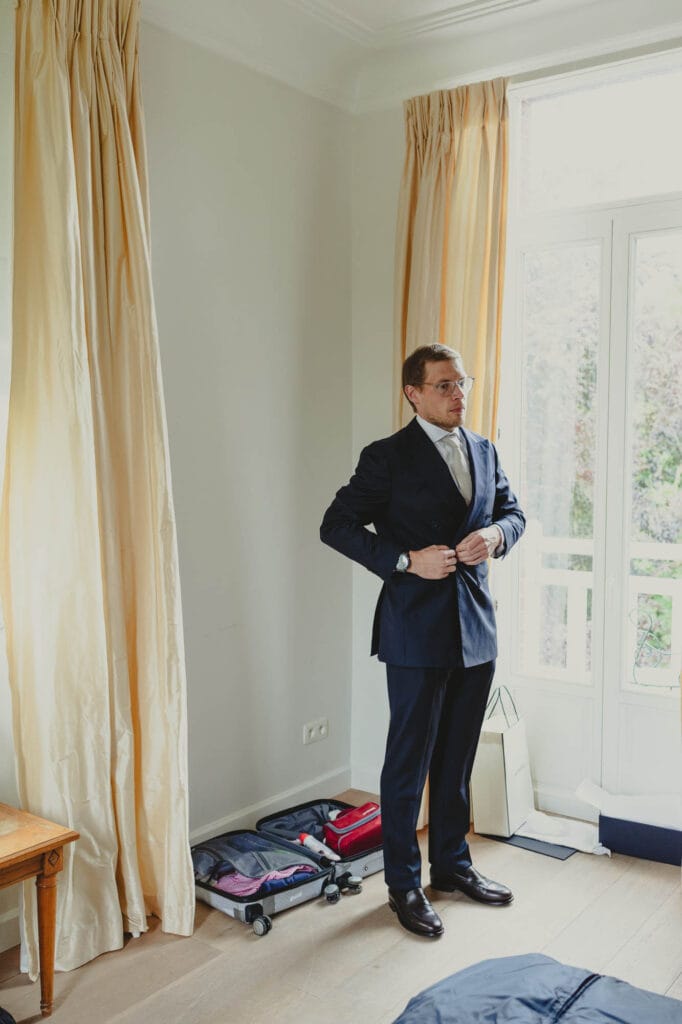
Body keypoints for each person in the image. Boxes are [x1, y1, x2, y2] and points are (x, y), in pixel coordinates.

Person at [320, 344, 525, 939]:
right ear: (413, 393)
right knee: (408, 763)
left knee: (457, 757)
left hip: (475, 626)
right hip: (415, 627)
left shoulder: (484, 448)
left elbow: (513, 513)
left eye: (462, 382)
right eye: (444, 385)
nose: (458, 394)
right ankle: (403, 885)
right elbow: (336, 525)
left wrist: (495, 536)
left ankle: (453, 867)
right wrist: (407, 560)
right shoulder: (386, 457)